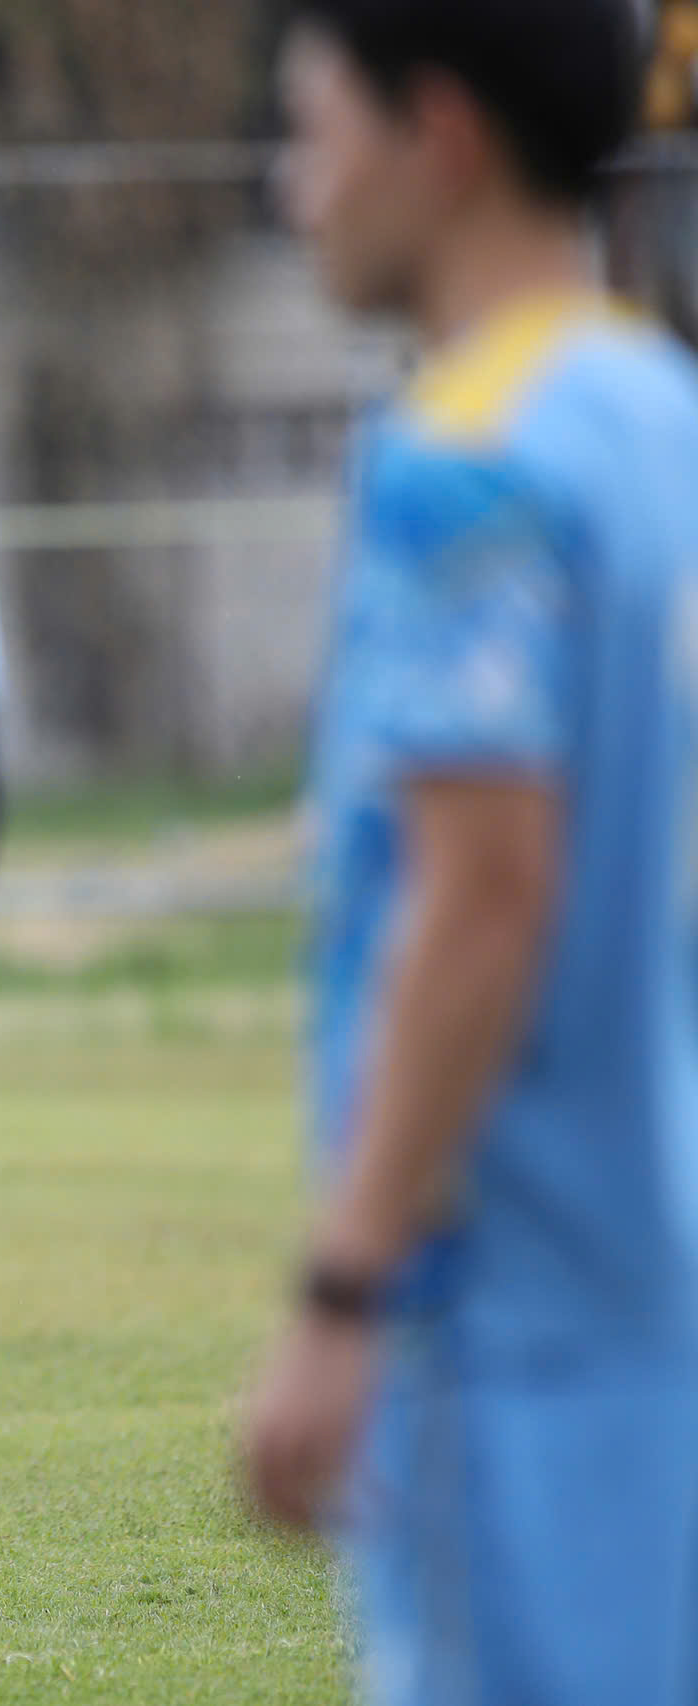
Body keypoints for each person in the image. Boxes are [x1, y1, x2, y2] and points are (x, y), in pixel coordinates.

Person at [240, 3, 698, 1701]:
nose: (293, 191)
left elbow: (481, 895)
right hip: (659, 1253)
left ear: (437, 136)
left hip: (512, 1299)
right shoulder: (657, 409)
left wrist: (346, 1280)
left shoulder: (463, 457)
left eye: (312, 134)